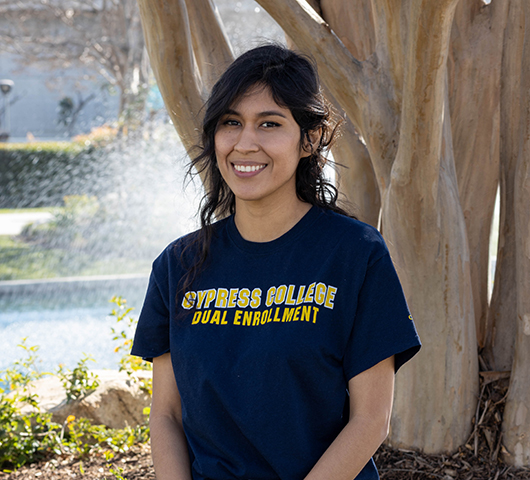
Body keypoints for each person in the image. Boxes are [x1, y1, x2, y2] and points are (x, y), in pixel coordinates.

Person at [131, 44, 421, 480]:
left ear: (309, 139)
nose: (246, 143)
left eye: (269, 124)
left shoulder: (355, 254)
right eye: (231, 122)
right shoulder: (178, 265)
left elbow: (370, 421)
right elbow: (166, 416)